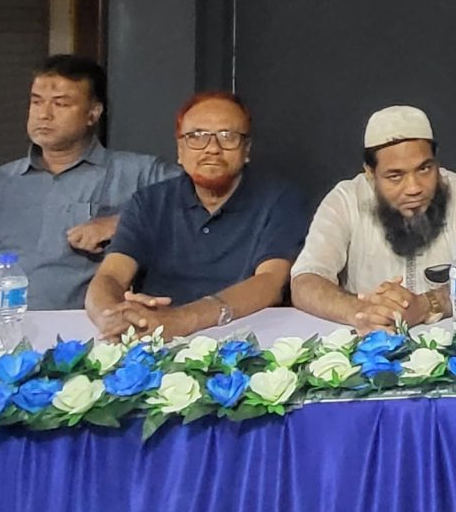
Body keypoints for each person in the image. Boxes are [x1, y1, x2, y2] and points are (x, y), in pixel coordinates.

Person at [0, 56, 177, 312]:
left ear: (93, 113)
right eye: (37, 102)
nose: (44, 114)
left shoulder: (137, 172)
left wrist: (118, 223)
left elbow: (195, 202)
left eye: (60, 103)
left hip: (71, 328)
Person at [83, 91, 312, 338]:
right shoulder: (149, 202)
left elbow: (270, 282)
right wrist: (112, 316)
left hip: (247, 338)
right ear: (180, 149)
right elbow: (110, 275)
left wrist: (183, 319)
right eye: (197, 136)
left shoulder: (280, 200)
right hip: (152, 337)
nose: (212, 148)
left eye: (227, 136)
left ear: (246, 149)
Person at [289, 106, 456, 332]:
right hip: (371, 343)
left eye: (424, 169)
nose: (413, 188)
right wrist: (365, 312)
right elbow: (305, 281)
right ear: (370, 173)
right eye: (395, 176)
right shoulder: (346, 199)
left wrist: (428, 304)